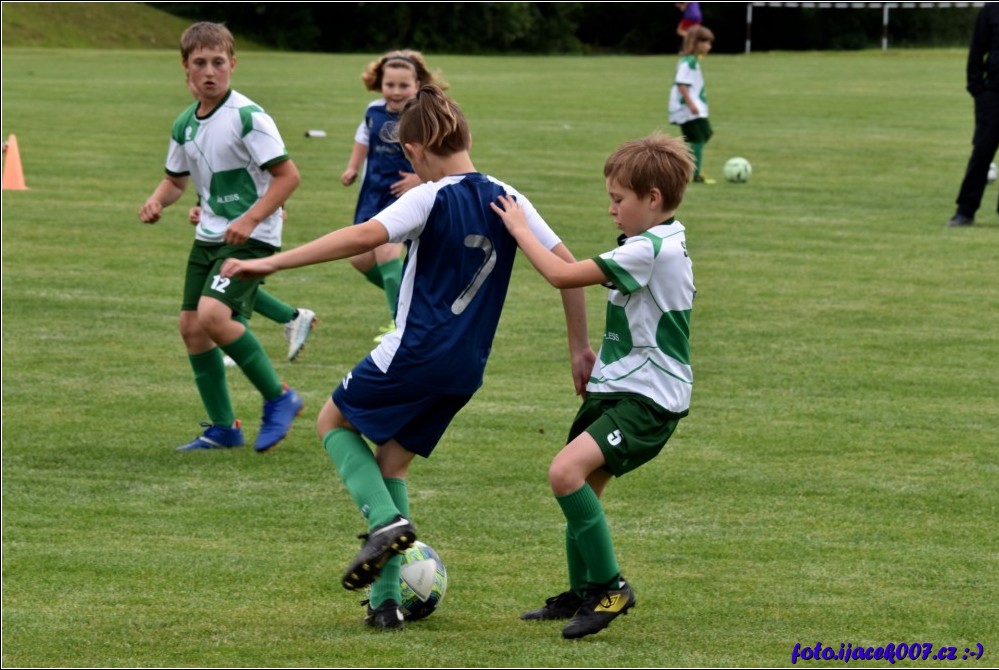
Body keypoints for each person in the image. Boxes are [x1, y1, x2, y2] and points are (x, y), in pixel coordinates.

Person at [221, 85, 594, 631]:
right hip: (466, 370)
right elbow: (572, 271)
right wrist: (579, 348)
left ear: (416, 149)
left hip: (414, 352)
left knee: (332, 421)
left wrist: (271, 264)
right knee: (391, 461)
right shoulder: (510, 197)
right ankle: (387, 602)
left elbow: (361, 237)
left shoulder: (432, 194)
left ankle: (386, 521)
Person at [490, 132, 696, 640]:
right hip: (620, 388)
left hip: (649, 399)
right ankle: (584, 590)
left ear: (652, 199)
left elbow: (562, 275)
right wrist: (589, 356)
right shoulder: (650, 241)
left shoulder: (650, 249)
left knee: (565, 474)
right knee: (583, 491)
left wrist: (520, 227)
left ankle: (610, 588)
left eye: (618, 199)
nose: (611, 210)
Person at [138, 21, 304, 453]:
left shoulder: (249, 117)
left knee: (214, 316)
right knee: (192, 327)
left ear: (232, 64)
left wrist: (250, 220)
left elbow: (287, 177)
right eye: (200, 63)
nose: (210, 71)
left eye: (218, 62)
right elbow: (175, 181)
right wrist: (157, 201)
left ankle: (280, 398)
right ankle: (222, 427)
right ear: (185, 70)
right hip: (211, 234)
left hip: (252, 235)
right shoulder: (184, 125)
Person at [340, 50, 449, 341]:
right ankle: (418, 303)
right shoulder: (373, 111)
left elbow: (443, 153)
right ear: (380, 83)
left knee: (387, 251)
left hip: (404, 196)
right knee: (360, 259)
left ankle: (399, 324)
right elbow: (362, 140)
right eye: (391, 84)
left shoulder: (422, 116)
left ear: (417, 85)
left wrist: (418, 178)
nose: (396, 91)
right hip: (373, 193)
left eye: (404, 85)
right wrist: (352, 168)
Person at [188, 203, 317, 364]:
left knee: (226, 283)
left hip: (249, 226)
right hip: (222, 223)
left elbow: (279, 178)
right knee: (217, 284)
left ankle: (239, 347)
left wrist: (278, 206)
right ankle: (292, 316)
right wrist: (203, 205)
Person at [946, 2, 999, 227]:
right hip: (993, 94)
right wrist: (977, 88)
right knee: (982, 151)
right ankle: (965, 211)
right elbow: (977, 49)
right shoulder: (992, 10)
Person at [669, 25, 716, 184]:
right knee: (699, 136)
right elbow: (681, 83)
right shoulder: (687, 62)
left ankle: (684, 166)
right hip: (687, 109)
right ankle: (693, 174)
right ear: (696, 43)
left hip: (691, 107)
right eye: (706, 43)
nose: (709, 47)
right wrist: (691, 104)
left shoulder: (693, 60)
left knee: (703, 134)